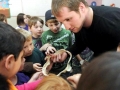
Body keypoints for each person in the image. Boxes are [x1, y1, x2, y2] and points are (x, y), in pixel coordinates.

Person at [50, 0, 120, 62]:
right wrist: (67, 53)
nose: (67, 27)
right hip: (102, 57)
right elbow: (80, 43)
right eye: (62, 22)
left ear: (81, 8)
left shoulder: (110, 21)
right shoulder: (79, 24)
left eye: (68, 19)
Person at [41, 9, 76, 78]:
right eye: (51, 25)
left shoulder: (67, 33)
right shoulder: (45, 35)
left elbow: (70, 50)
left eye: (56, 24)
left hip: (65, 68)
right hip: (52, 70)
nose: (54, 27)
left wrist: (71, 66)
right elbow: (44, 52)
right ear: (46, 24)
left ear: (61, 22)